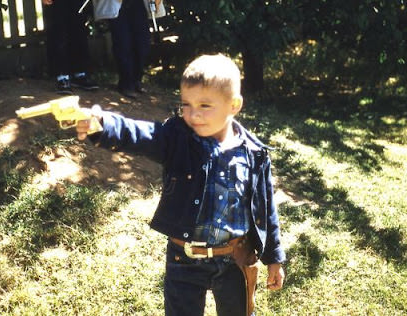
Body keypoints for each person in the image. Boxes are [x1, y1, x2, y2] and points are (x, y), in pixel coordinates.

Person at [75, 54, 285, 316]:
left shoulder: (254, 153)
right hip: (184, 260)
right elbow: (142, 135)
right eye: (186, 104)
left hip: (236, 259)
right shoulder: (177, 139)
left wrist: (274, 258)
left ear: (234, 105)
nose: (193, 114)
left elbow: (266, 207)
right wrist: (104, 125)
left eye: (205, 105)